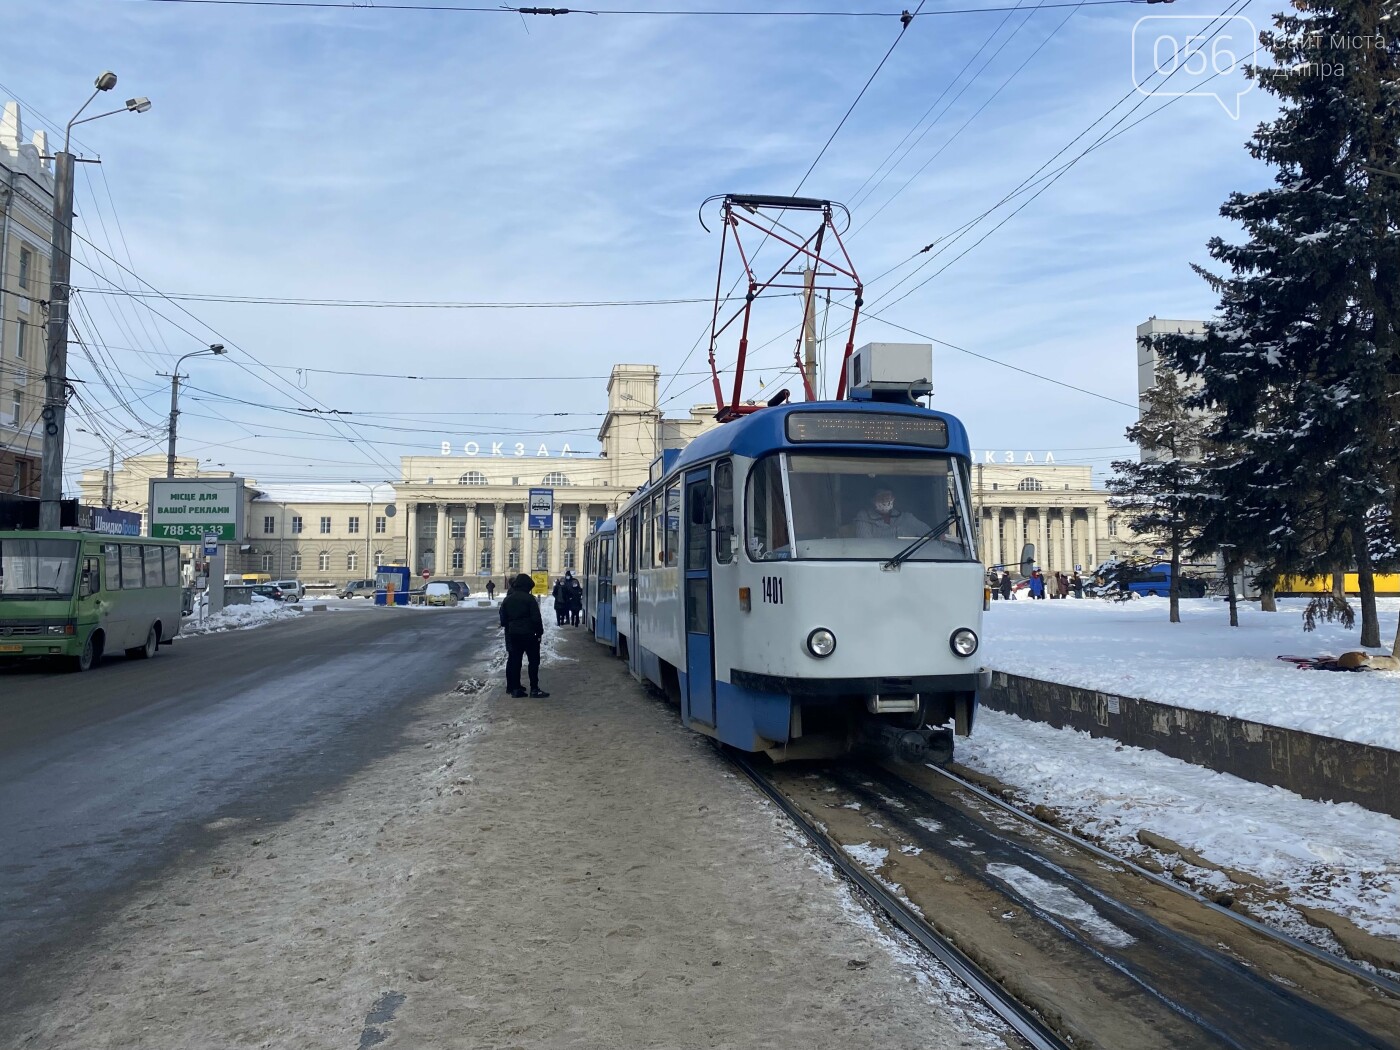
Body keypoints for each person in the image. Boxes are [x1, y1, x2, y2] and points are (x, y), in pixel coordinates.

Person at [499, 573, 549, 698]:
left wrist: (511, 626)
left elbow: (503, 620)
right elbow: (536, 618)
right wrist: (540, 632)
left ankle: (515, 689)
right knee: (533, 662)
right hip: (530, 635)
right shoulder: (529, 599)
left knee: (515, 661)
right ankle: (534, 689)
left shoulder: (508, 599)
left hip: (514, 634)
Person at [853, 488, 931, 540]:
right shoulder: (863, 517)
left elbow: (930, 534)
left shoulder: (907, 518)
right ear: (872, 500)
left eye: (887, 496)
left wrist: (940, 536)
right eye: (880, 496)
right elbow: (865, 544)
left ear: (893, 498)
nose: (884, 499)